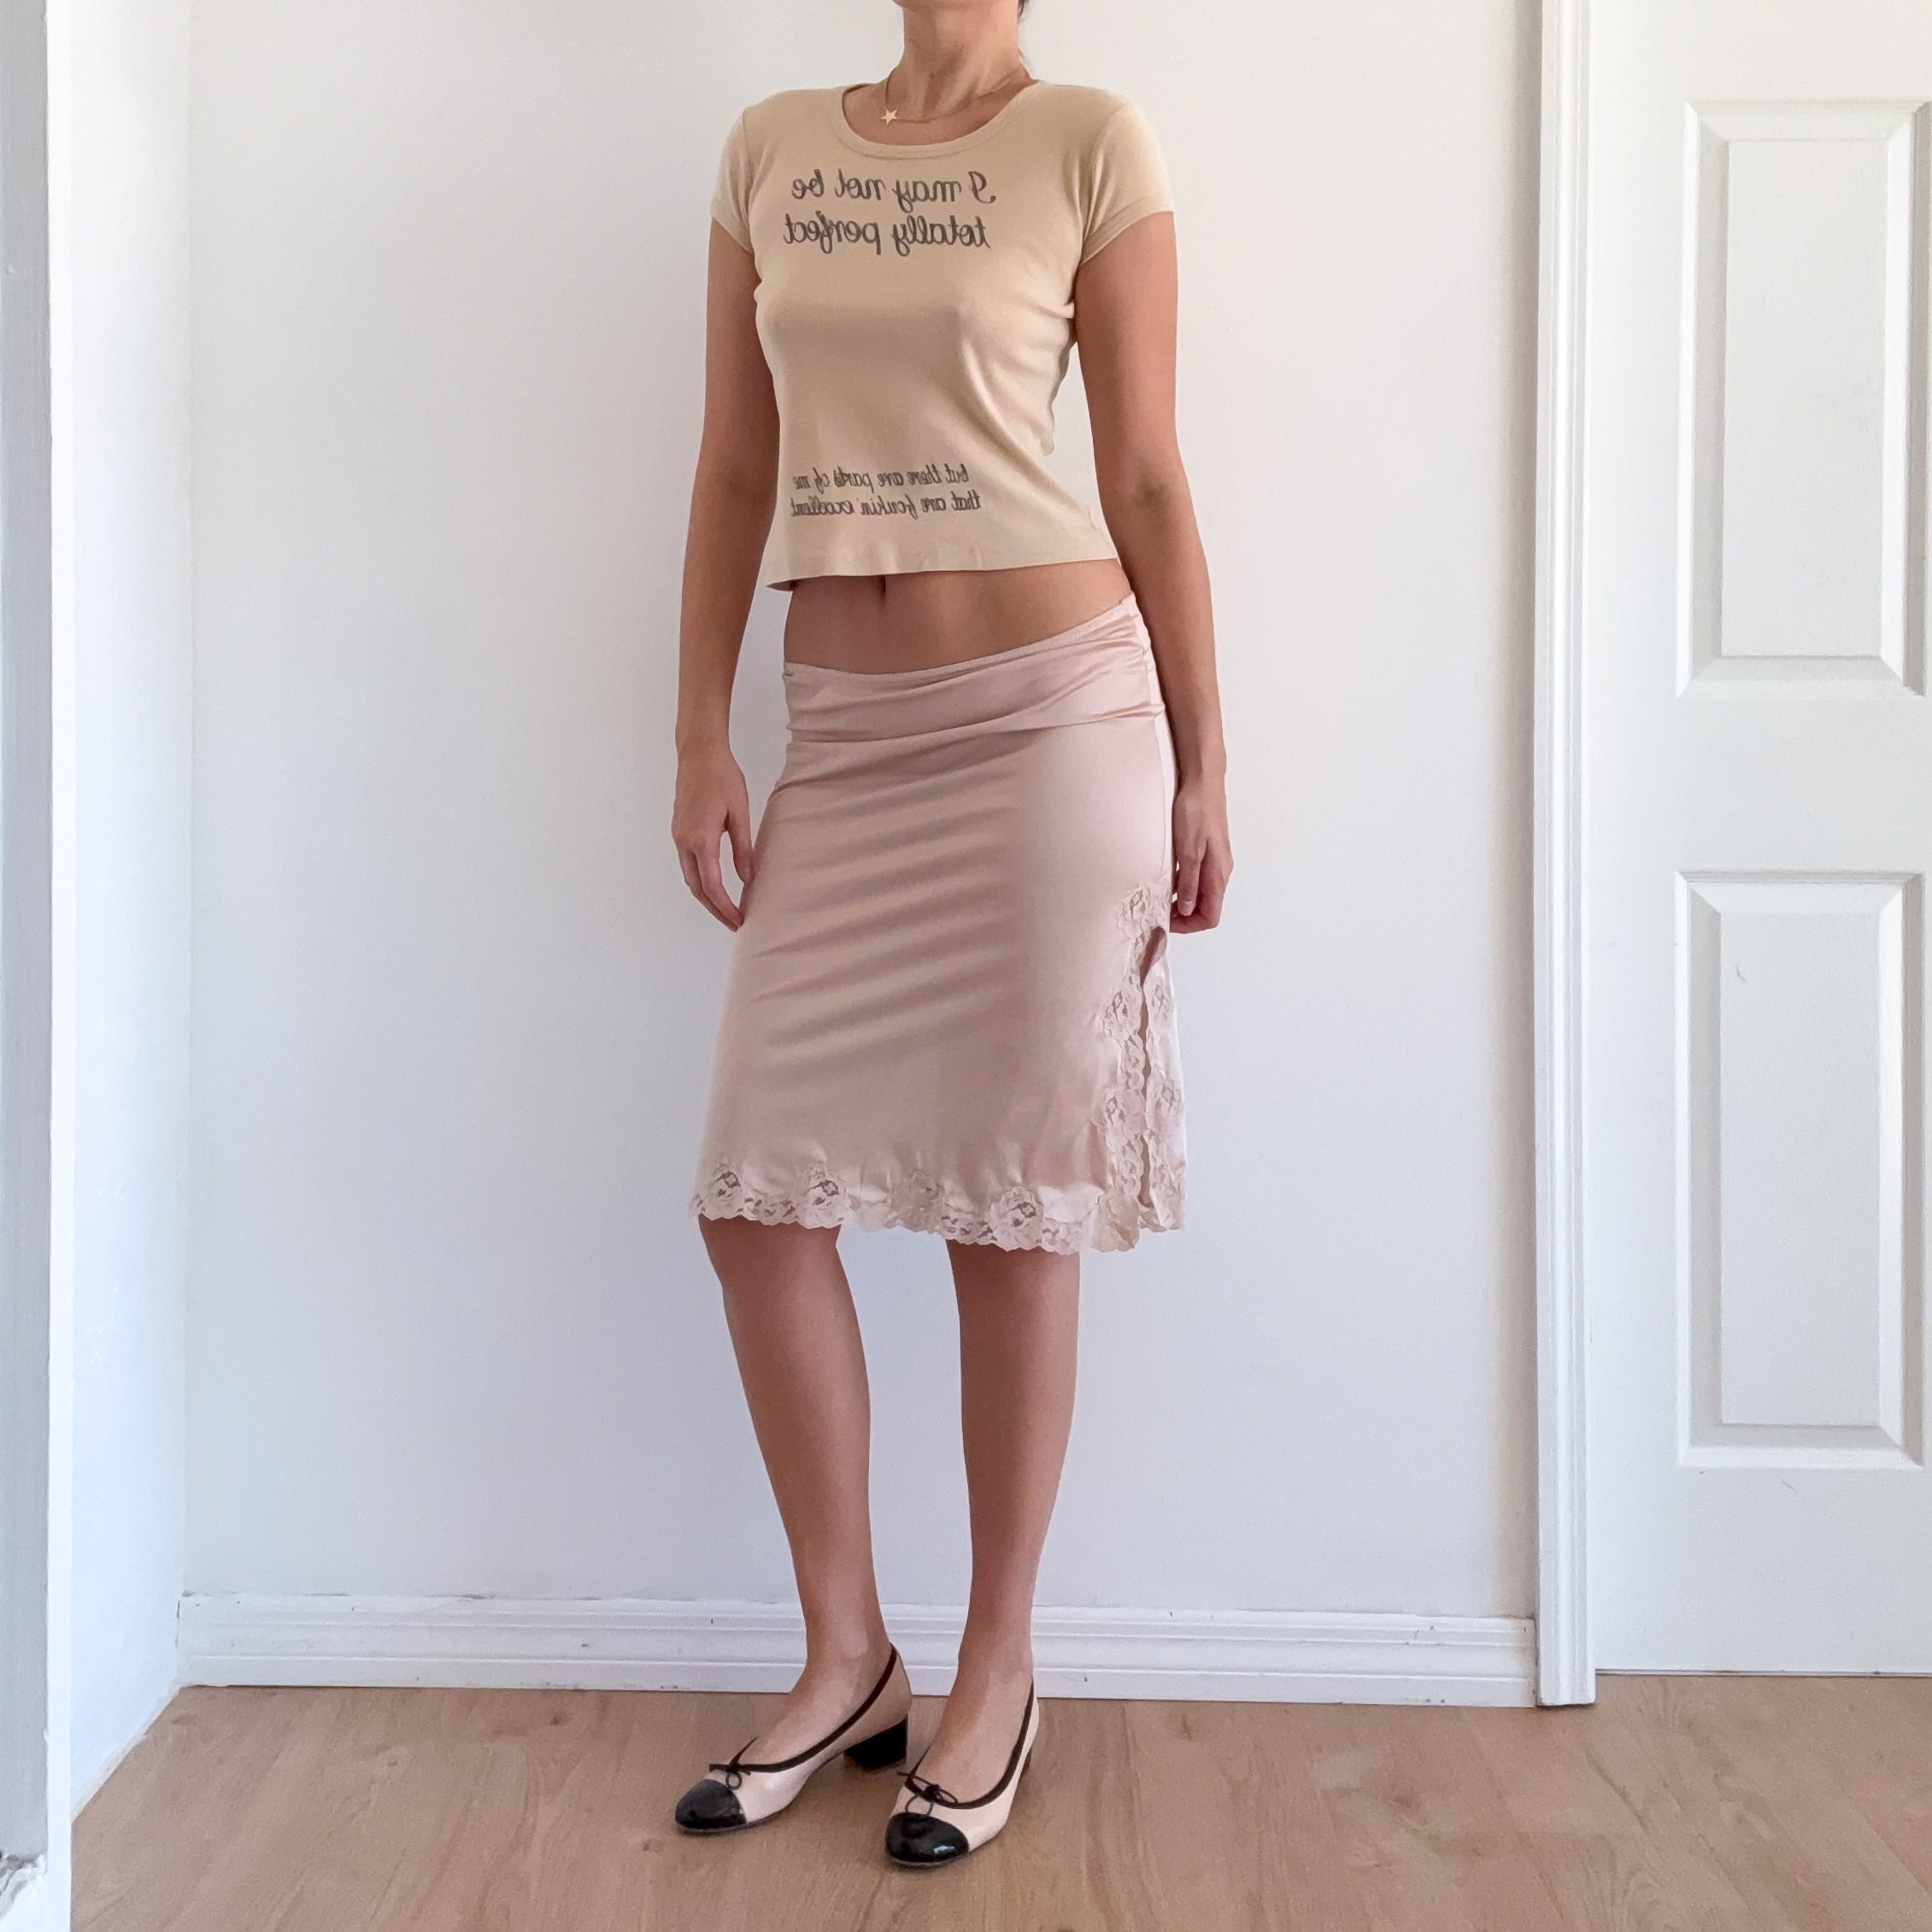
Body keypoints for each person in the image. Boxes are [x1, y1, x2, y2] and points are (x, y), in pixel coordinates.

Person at [669, 0, 1230, 1871]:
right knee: (755, 1200)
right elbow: (734, 467)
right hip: (845, 734)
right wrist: (701, 733)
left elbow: (1142, 471)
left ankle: (999, 1663)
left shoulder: (1090, 140)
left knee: (1012, 1209)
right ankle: (847, 1651)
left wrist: (1206, 760)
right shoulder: (771, 146)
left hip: (1053, 722)